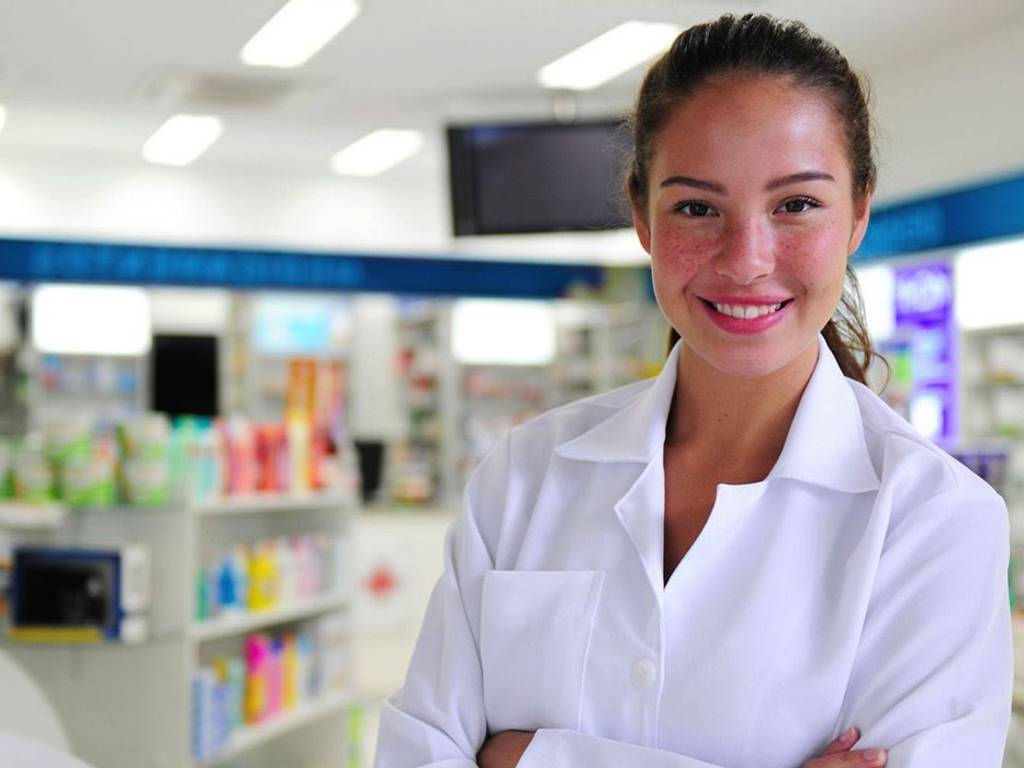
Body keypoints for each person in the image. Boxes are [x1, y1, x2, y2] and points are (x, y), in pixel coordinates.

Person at [374, 13, 1012, 768]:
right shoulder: (525, 474)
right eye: (697, 207)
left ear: (859, 213)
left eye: (796, 204)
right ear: (641, 213)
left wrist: (528, 756)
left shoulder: (933, 521)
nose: (746, 259)